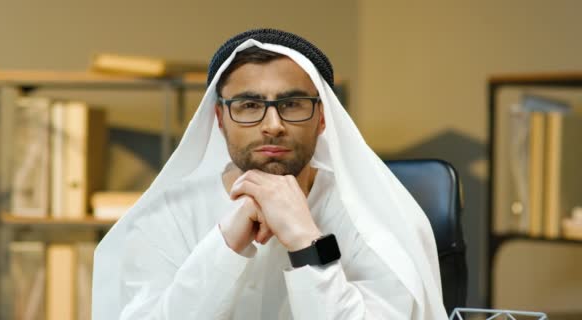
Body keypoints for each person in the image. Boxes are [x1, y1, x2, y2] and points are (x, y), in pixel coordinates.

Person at [92, 28, 447, 319]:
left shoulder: (372, 216)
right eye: (249, 106)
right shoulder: (167, 216)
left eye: (292, 104)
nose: (272, 125)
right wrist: (225, 242)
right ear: (219, 120)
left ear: (323, 119)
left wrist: (306, 240)